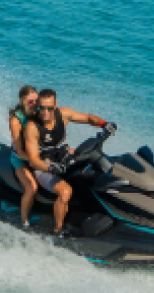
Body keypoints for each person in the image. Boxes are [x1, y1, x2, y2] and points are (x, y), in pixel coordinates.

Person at [24, 88, 117, 236]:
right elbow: (34, 161)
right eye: (42, 108)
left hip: (63, 158)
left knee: (91, 171)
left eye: (50, 108)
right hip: (44, 168)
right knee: (65, 191)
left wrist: (104, 124)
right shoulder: (32, 127)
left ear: (55, 105)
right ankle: (57, 230)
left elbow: (88, 118)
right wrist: (52, 168)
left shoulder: (63, 114)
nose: (46, 112)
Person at [8, 85, 39, 230]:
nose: (34, 105)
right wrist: (35, 160)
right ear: (22, 101)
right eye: (30, 102)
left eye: (36, 101)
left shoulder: (40, 113)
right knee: (31, 187)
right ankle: (24, 221)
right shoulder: (16, 120)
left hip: (39, 156)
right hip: (20, 159)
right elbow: (19, 151)